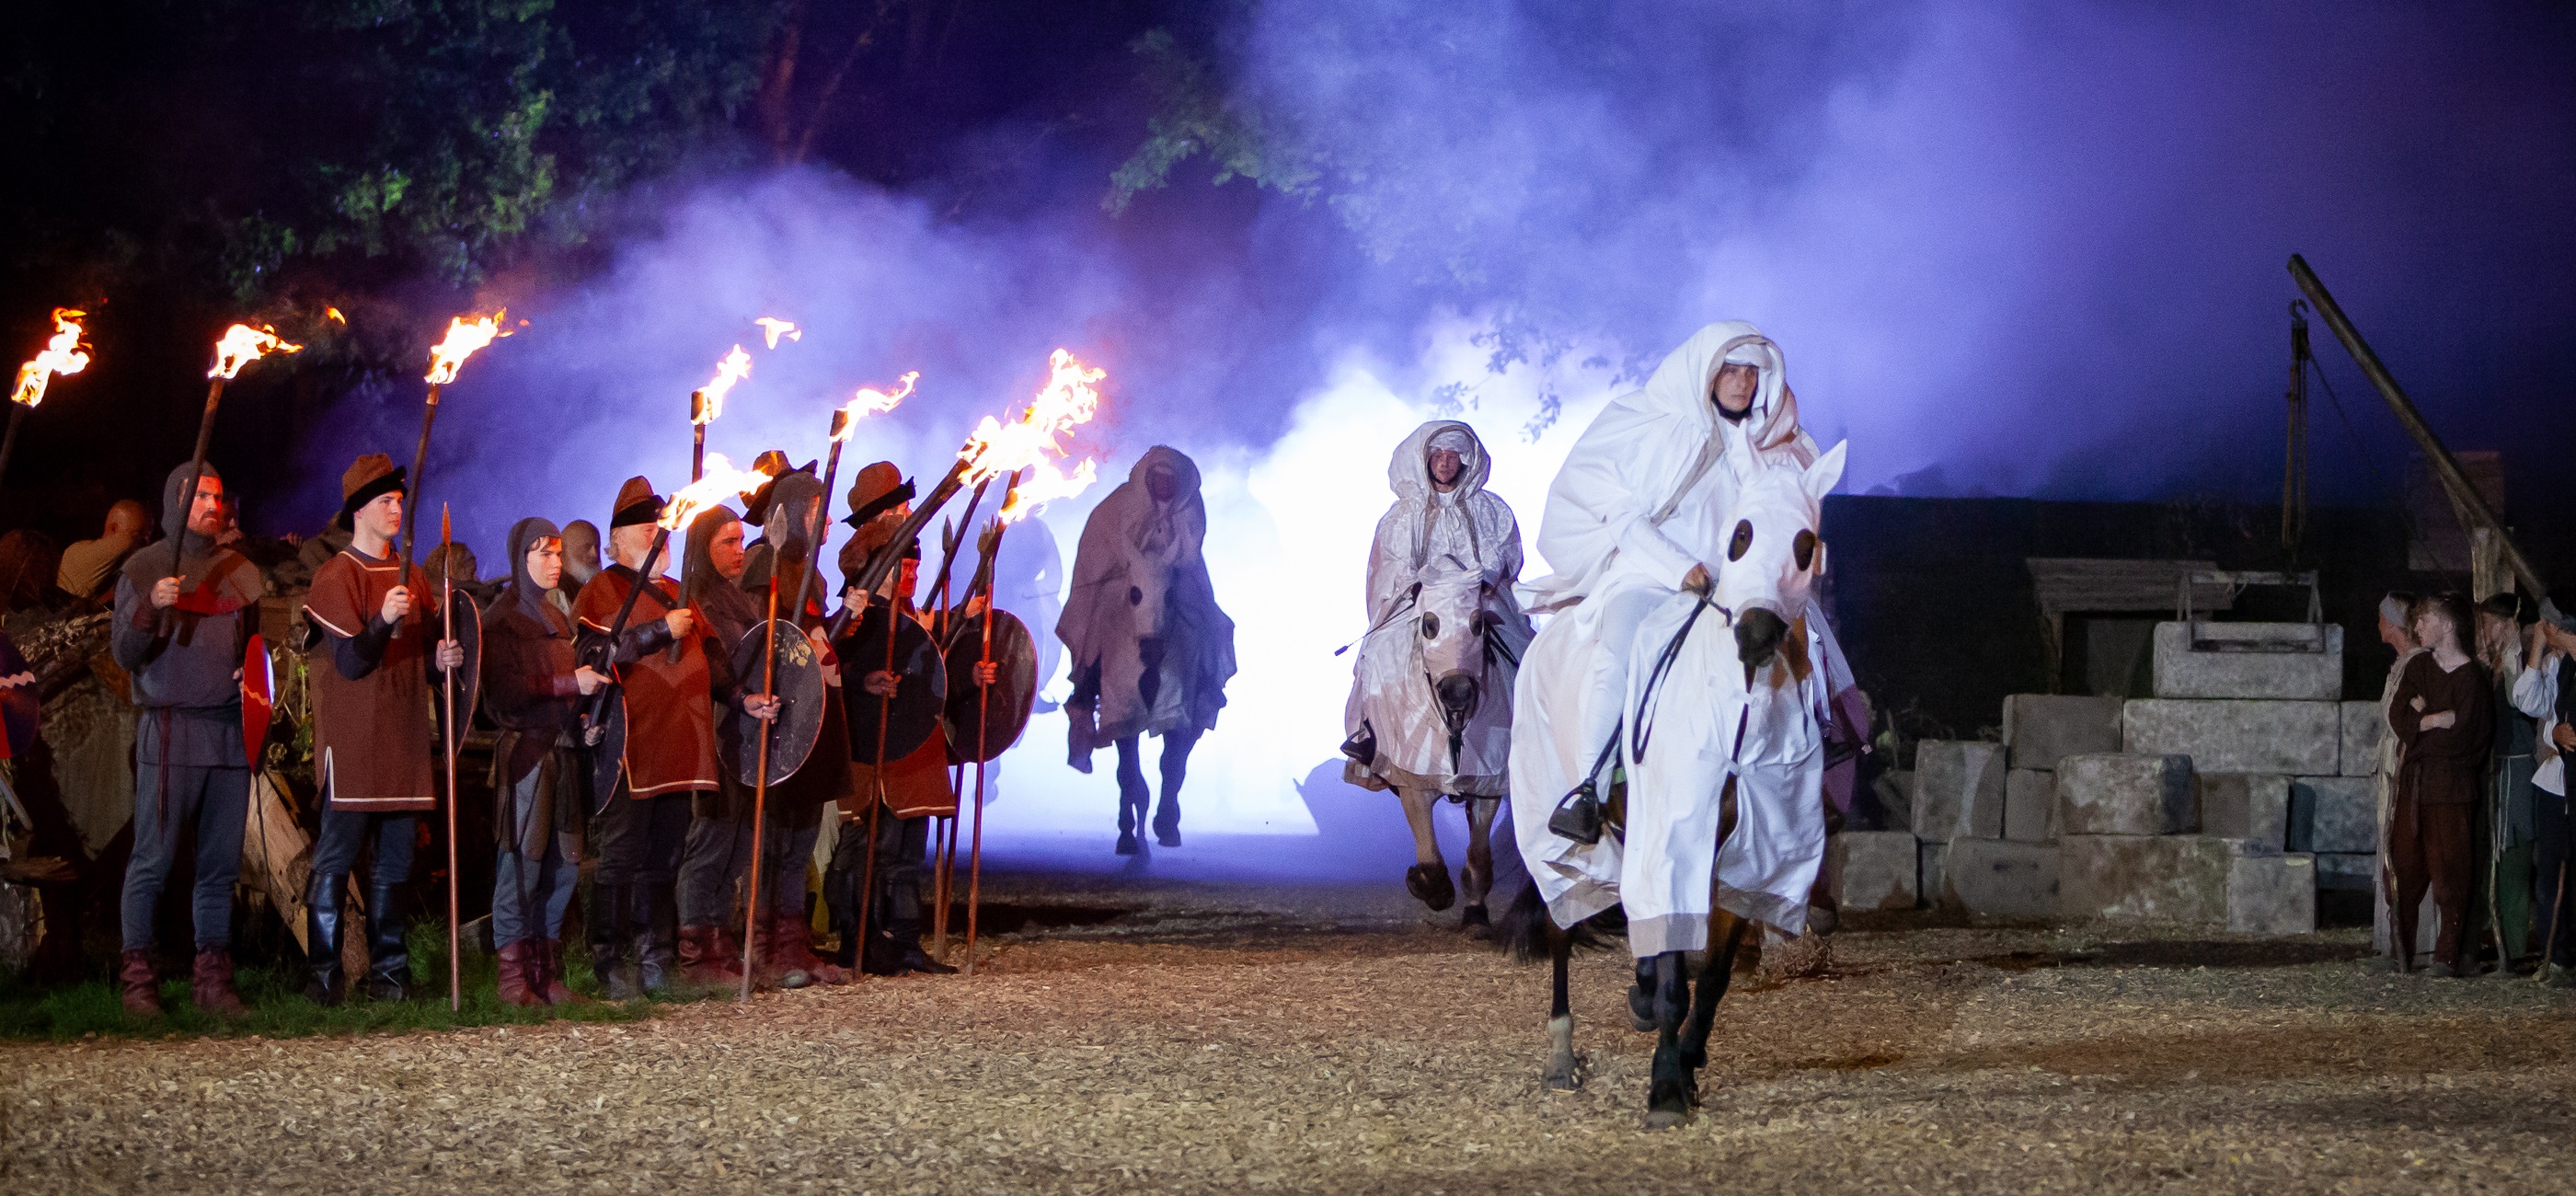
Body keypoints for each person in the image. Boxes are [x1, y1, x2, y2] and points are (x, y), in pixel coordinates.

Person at [1510, 321, 1850, 937]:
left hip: (1743, 587)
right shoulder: (1643, 423)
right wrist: (1677, 567)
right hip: (1651, 576)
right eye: (1731, 370)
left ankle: (1819, 769)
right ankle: (1588, 787)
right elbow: (1621, 519)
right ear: (1706, 372)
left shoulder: (1787, 443)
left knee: (1817, 649)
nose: (1743, 382)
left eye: (1753, 372)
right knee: (1616, 647)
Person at [574, 477, 776, 998]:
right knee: (621, 855)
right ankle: (609, 961)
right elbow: (599, 656)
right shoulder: (603, 589)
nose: (657, 539)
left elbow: (710, 656)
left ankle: (654, 955)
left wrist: (739, 699)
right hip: (631, 743)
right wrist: (661, 630)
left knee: (663, 856)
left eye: (659, 531)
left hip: (679, 745)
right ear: (618, 540)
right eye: (646, 530)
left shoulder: (674, 592)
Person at [1342, 421, 1533, 928]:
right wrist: (1422, 582)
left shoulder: (1491, 509)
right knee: (1378, 653)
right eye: (1439, 455)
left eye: (1455, 456)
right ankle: (1369, 735)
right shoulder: (1400, 516)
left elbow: (1507, 554)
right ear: (1424, 459)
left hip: (1479, 601)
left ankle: (1534, 735)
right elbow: (1388, 569)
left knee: (1525, 652)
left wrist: (1479, 575)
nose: (1447, 463)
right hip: (1420, 606)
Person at [299, 454, 465, 1004]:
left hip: (403, 738)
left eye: (400, 501)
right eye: (386, 502)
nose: (397, 509)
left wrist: (437, 655)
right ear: (359, 510)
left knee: (396, 864)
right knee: (335, 860)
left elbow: (412, 656)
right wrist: (383, 619)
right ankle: (325, 979)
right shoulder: (336, 574)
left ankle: (389, 976)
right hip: (353, 744)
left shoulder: (413, 574)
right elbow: (351, 662)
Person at [111, 464, 261, 1018]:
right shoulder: (142, 568)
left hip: (226, 732)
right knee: (153, 858)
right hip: (171, 728)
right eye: (200, 495)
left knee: (220, 867)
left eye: (217, 496)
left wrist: (252, 678)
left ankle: (212, 981)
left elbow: (255, 653)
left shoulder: (239, 573)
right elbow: (124, 654)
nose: (211, 505)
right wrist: (150, 605)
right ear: (176, 499)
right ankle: (138, 980)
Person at [1057, 446, 1236, 854]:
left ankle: (1207, 685)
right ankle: (1086, 693)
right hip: (1127, 587)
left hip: (1177, 580)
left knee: (1208, 622)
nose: (1165, 487)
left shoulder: (1190, 506)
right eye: (1159, 480)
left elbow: (1191, 551)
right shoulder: (1120, 505)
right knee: (1103, 628)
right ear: (1146, 479)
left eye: (1171, 481)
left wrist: (1170, 560)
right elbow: (1100, 550)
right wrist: (1128, 566)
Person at [830, 462, 964, 975]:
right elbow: (831, 659)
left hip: (913, 739)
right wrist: (864, 679)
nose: (908, 517)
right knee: (867, 842)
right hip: (872, 742)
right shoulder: (852, 606)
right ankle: (859, 938)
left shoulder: (912, 610)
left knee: (909, 843)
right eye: (898, 512)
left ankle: (904, 939)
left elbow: (931, 668)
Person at [480, 517, 606, 1006]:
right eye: (544, 554)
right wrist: (569, 684)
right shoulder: (501, 620)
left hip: (564, 752)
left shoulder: (557, 619)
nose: (555, 563)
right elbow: (504, 693)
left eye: (558, 554)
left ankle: (543, 974)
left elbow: (567, 693)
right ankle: (513, 982)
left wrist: (582, 721)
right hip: (527, 757)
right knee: (521, 866)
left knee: (565, 868)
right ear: (521, 559)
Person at [735, 462, 850, 985]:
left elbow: (809, 645)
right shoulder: (765, 562)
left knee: (799, 839)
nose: (825, 520)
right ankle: (761, 951)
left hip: (809, 718)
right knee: (773, 840)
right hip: (774, 722)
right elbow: (765, 641)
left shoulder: (812, 571)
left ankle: (791, 947)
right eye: (816, 510)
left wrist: (842, 618)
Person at [2387, 592, 2495, 976]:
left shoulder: (2471, 680)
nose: (2416, 627)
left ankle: (2447, 957)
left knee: (2450, 874)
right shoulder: (2418, 670)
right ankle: (2401, 952)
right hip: (2415, 787)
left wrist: (2421, 722)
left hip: (2450, 790)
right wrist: (2434, 719)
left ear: (2446, 626)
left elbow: (2466, 736)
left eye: (2424, 620)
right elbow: (2399, 716)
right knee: (2404, 870)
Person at [2475, 593, 2538, 972]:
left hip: (2517, 769)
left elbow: (2520, 701)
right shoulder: (2493, 662)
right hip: (2495, 770)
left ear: (2501, 624)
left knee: (2512, 859)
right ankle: (2492, 938)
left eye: (2486, 624)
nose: (2481, 631)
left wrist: (2512, 646)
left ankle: (2513, 949)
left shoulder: (2521, 658)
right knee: (2490, 861)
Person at [2512, 616, 2576, 986]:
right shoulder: (2553, 663)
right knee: (2549, 873)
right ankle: (2557, 956)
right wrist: (2537, 647)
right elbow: (2527, 700)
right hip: (2553, 782)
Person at [2371, 591, 2425, 963]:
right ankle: (2390, 938)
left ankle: (2415, 940)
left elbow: (2416, 715)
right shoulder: (2401, 663)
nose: (2377, 625)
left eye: (2380, 618)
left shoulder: (2419, 664)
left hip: (2406, 763)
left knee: (2406, 847)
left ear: (2392, 623)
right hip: (2391, 761)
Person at [57, 499, 147, 605]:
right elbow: (127, 541)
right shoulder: (78, 553)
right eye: (139, 534)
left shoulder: (119, 569)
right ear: (113, 528)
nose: (147, 541)